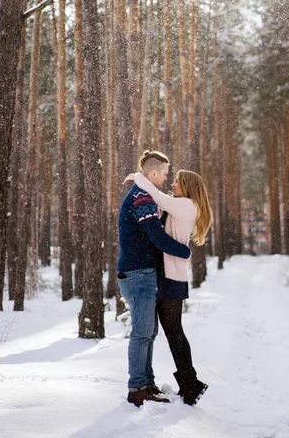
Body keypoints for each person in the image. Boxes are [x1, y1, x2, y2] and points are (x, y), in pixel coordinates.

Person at [123, 167, 213, 406]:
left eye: (177, 181)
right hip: (166, 277)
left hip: (172, 278)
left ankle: (190, 384)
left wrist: (139, 177)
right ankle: (187, 383)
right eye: (172, 180)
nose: (172, 184)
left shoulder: (186, 205)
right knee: (171, 332)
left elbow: (158, 196)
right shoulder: (180, 205)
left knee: (174, 332)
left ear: (188, 187)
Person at [117, 150, 191, 407]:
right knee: (142, 332)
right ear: (153, 173)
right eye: (165, 175)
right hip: (137, 272)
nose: (167, 180)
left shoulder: (145, 194)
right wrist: (184, 251)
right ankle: (137, 387)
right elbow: (155, 235)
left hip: (142, 271)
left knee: (149, 331)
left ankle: (146, 382)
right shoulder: (141, 196)